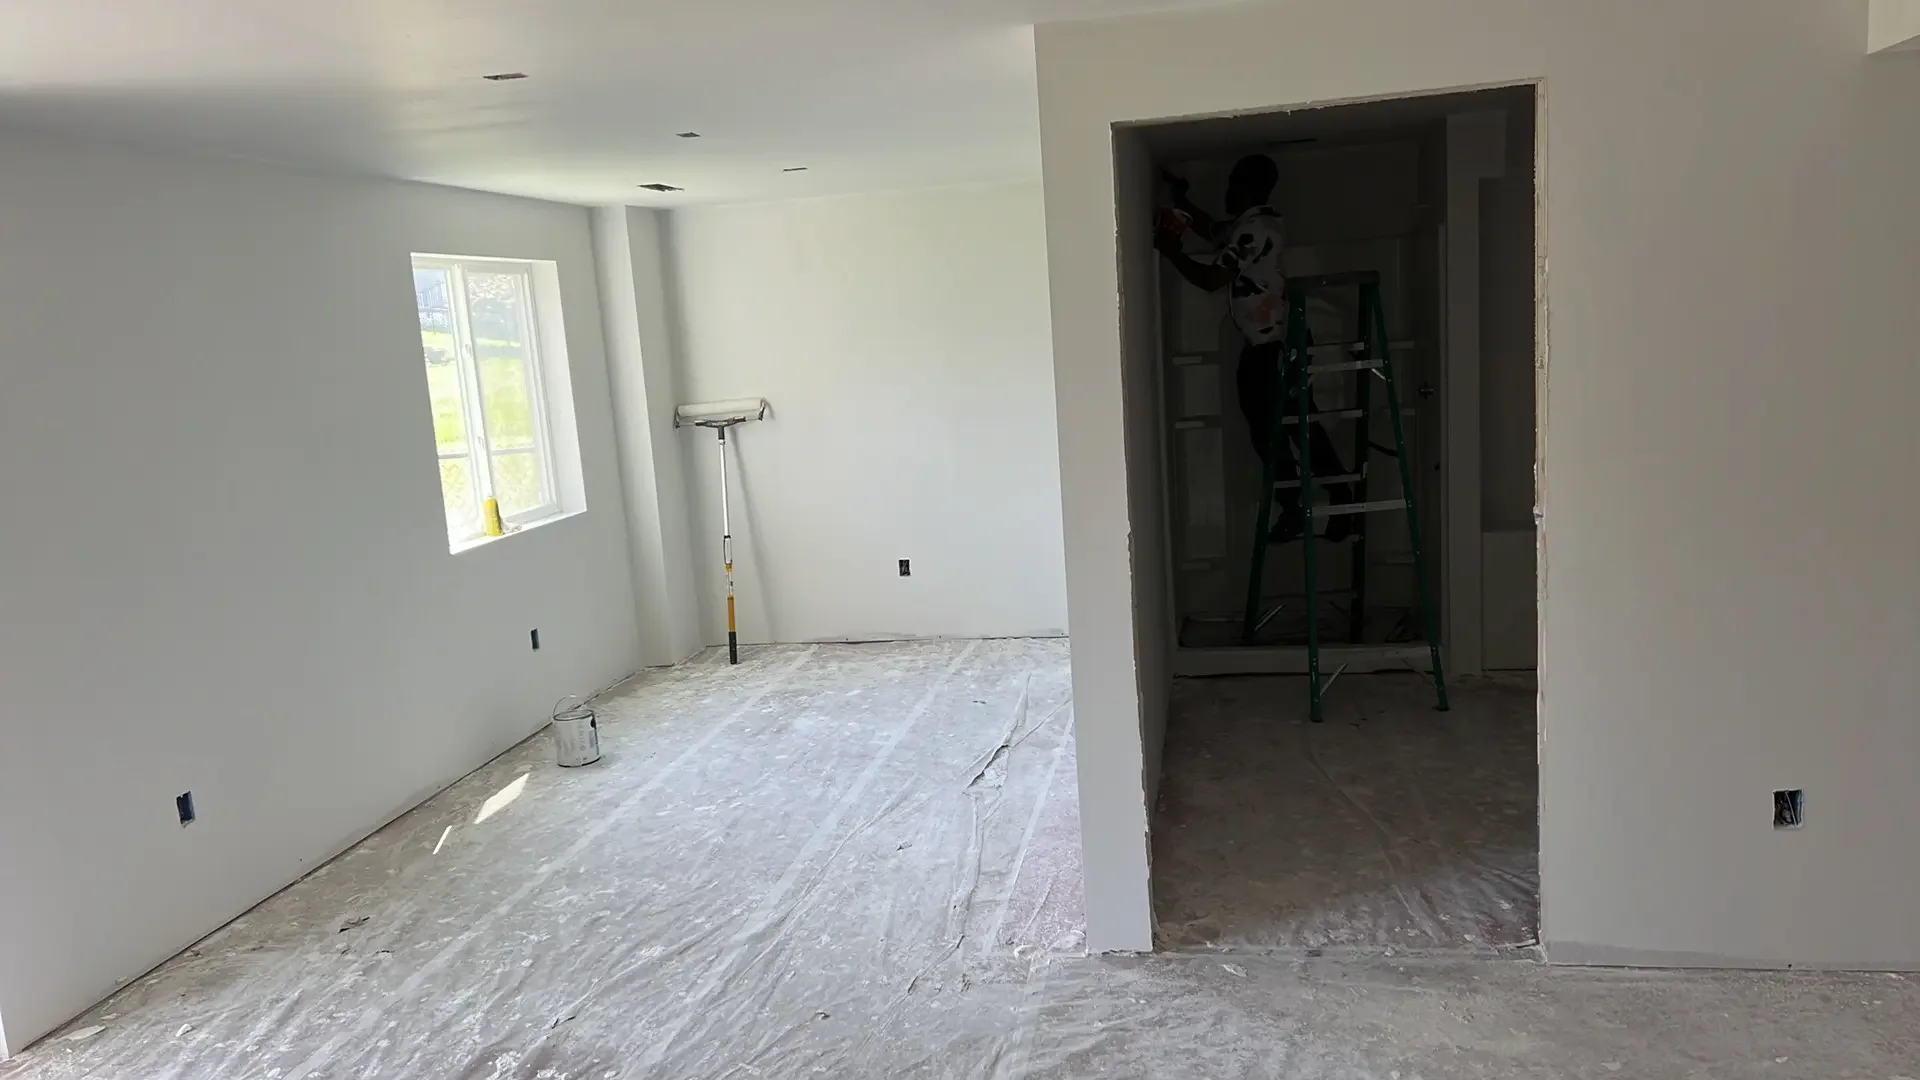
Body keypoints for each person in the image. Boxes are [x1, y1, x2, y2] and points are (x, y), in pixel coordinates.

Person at [1155, 154, 1354, 543]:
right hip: (1268, 344)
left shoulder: (1256, 229)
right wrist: (1183, 201)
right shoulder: (1249, 226)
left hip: (1275, 346)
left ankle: (1319, 502)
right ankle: (1307, 504)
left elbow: (1213, 278)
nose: (1227, 194)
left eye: (1232, 186)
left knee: (1288, 429)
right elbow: (1214, 231)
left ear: (1248, 188)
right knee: (1284, 429)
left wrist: (1170, 251)